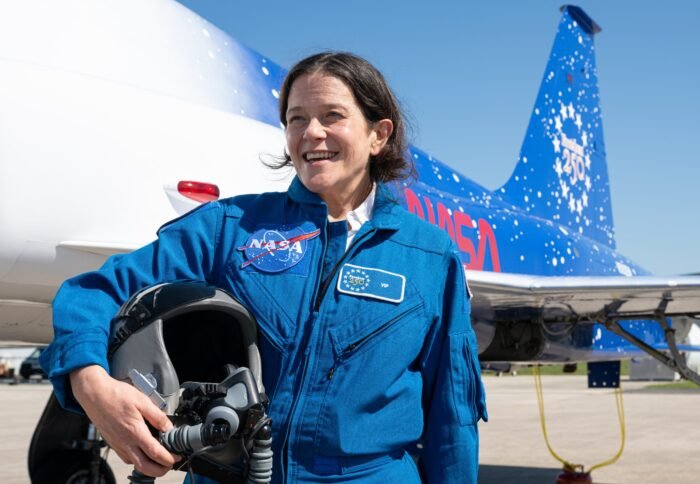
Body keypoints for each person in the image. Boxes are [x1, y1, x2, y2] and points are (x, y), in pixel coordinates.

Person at [41, 51, 487, 483]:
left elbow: (452, 418)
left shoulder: (430, 256)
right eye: (296, 118)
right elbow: (93, 293)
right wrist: (90, 384)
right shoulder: (230, 228)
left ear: (378, 135)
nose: (311, 132)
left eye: (332, 116)